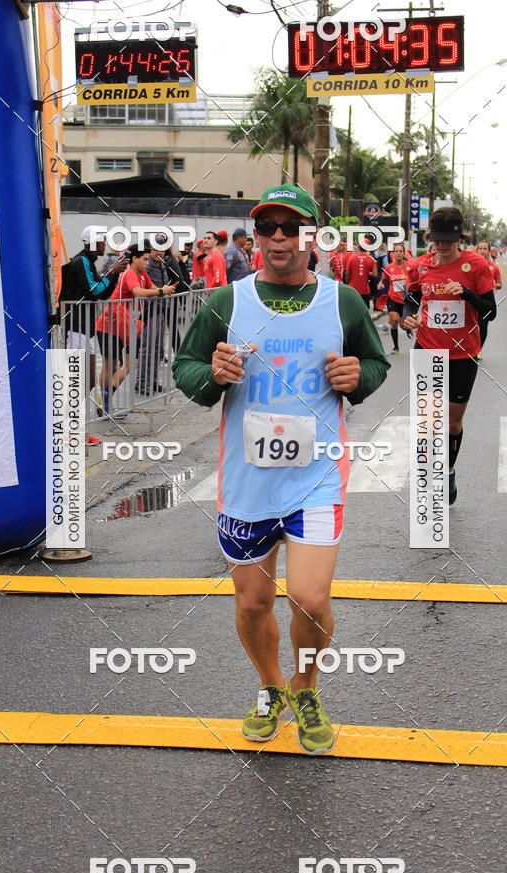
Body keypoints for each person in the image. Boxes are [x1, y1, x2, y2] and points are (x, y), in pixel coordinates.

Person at [172, 184, 389, 755]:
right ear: (256, 235)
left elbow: (376, 362)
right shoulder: (227, 302)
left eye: (289, 228)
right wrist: (210, 374)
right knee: (252, 603)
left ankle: (306, 685)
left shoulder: (341, 302)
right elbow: (186, 365)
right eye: (267, 228)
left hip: (316, 475)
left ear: (311, 236)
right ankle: (270, 686)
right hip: (247, 481)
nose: (277, 239)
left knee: (312, 600)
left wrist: (357, 377)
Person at [402, 206, 496, 505]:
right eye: (438, 240)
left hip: (463, 354)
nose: (442, 246)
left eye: (449, 240)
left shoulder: (477, 265)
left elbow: (490, 311)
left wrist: (465, 294)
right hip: (427, 348)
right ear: (430, 238)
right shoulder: (419, 266)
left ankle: (449, 470)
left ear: (460, 238)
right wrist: (408, 316)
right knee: (429, 420)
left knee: (453, 423)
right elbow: (411, 299)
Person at [61, 226, 127, 443]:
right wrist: (111, 272)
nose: (104, 245)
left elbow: (102, 294)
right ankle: (71, 431)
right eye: (102, 241)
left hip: (84, 328)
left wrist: (114, 275)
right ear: (93, 242)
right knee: (76, 381)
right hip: (75, 328)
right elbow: (94, 290)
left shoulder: (88, 262)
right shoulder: (81, 262)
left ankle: (76, 430)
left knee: (86, 380)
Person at [95, 245, 161, 415]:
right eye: (145, 259)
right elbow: (138, 292)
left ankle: (105, 398)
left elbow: (151, 287)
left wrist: (162, 290)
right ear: (134, 259)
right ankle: (105, 403)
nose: (148, 263)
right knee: (111, 365)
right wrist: (161, 291)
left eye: (148, 259)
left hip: (127, 325)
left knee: (129, 364)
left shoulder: (142, 274)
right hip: (111, 324)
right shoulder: (129, 273)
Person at [135, 239, 175, 395]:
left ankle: (152, 381)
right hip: (150, 312)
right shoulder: (147, 266)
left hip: (161, 310)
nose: (159, 252)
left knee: (157, 349)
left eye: (162, 249)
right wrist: (161, 291)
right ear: (150, 250)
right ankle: (142, 382)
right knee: (147, 348)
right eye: (156, 249)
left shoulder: (162, 265)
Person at [475, 240, 502, 358]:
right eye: (480, 248)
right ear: (476, 250)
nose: (482, 251)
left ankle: (478, 349)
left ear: (489, 251)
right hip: (471, 301)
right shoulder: (470, 265)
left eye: (485, 249)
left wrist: (491, 285)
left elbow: (499, 283)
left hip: (485, 302)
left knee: (483, 325)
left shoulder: (493, 267)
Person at [381, 243, 409, 355]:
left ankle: (406, 328)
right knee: (394, 321)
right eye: (396, 251)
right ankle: (396, 347)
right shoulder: (389, 267)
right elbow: (383, 279)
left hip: (405, 299)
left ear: (403, 253)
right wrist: (380, 284)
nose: (398, 253)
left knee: (403, 324)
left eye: (400, 251)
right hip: (392, 298)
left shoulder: (409, 267)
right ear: (393, 254)